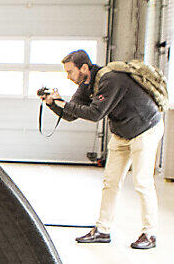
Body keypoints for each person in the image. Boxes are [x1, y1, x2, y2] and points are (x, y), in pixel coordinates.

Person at [40, 50, 164, 249]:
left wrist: (62, 102)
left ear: (84, 68)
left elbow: (95, 113)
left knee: (142, 182)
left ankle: (149, 234)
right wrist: (53, 104)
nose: (68, 77)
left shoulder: (110, 79)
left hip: (145, 128)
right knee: (110, 182)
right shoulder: (85, 85)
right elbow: (72, 114)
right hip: (122, 131)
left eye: (70, 72)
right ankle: (102, 230)